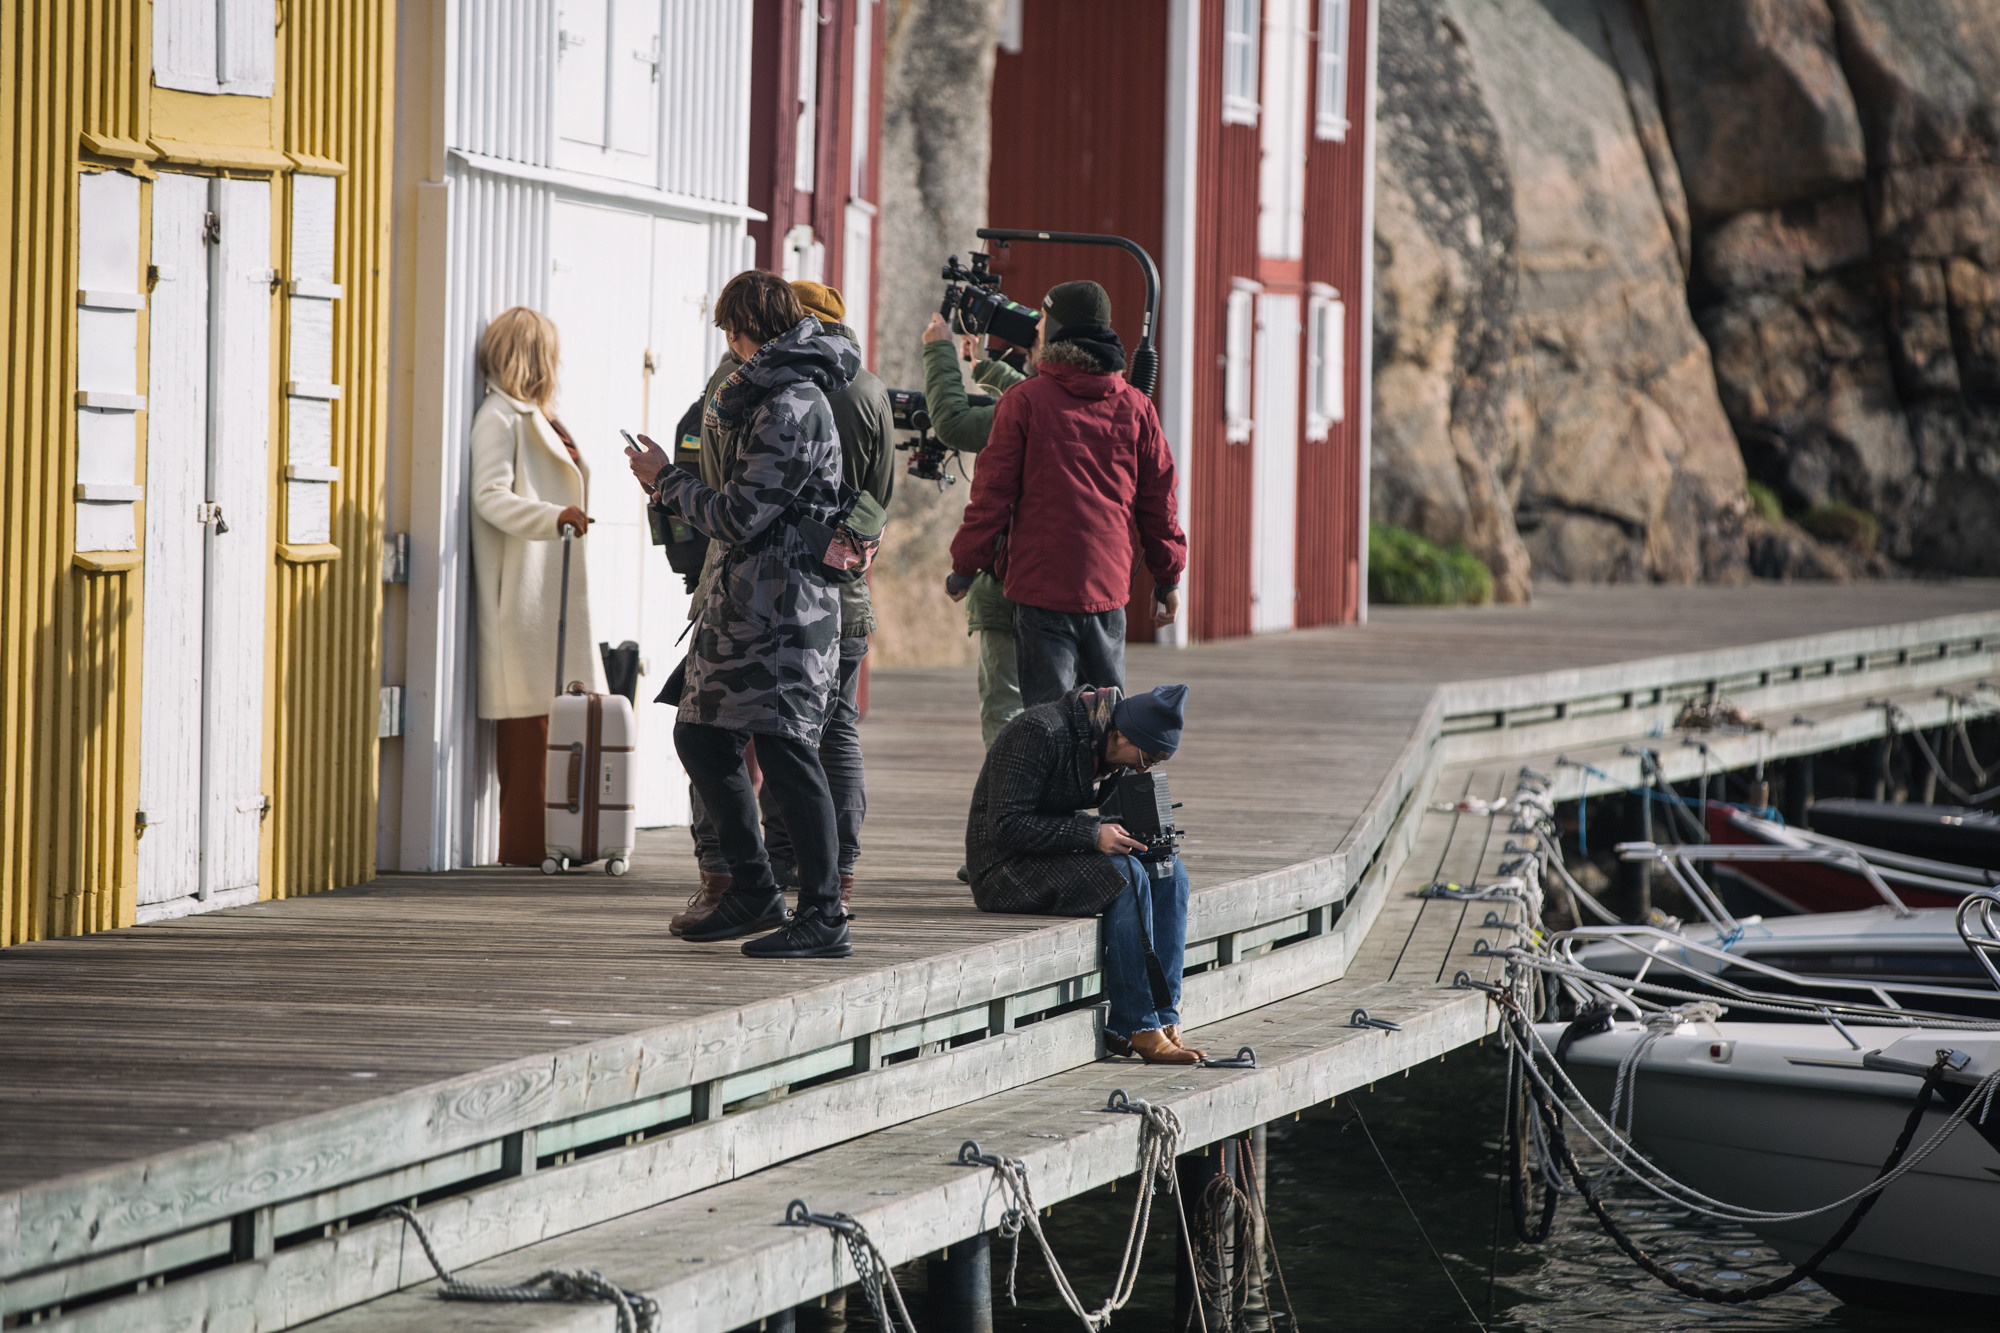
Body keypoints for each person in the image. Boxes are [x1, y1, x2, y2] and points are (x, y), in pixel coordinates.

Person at [626, 270, 857, 959]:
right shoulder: (765, 394)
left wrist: (666, 481)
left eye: (731, 329)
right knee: (701, 736)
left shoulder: (789, 405)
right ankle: (754, 889)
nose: (729, 342)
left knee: (788, 754)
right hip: (746, 605)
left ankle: (824, 915)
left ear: (748, 328)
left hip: (784, 615)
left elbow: (738, 514)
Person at [947, 280, 1187, 708]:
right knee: (1104, 718)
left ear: (1057, 328)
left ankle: (1056, 757)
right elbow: (1159, 501)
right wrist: (1167, 577)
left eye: (1043, 320)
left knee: (1049, 721)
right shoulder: (1136, 406)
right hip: (1107, 588)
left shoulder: (1025, 400)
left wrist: (965, 566)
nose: (1037, 329)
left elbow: (992, 494)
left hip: (1041, 589)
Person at [964, 682, 1203, 1064]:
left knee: (1170, 873)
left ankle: (1164, 1015)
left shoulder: (1107, 746)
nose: (1141, 768)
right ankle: (1137, 1024)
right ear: (1120, 734)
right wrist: (1092, 835)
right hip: (1003, 869)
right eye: (1144, 757)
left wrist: (1141, 834)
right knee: (1125, 876)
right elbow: (1006, 826)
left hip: (1049, 852)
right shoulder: (1039, 731)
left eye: (1154, 763)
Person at [753, 280, 894, 908]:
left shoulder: (780, 387)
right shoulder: (871, 390)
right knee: (838, 731)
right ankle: (844, 868)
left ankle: (783, 862)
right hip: (850, 592)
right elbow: (879, 500)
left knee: (782, 731)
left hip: (785, 594)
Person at [467, 306, 601, 866]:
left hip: (548, 590)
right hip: (523, 593)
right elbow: (489, 496)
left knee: (559, 724)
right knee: (531, 730)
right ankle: (527, 853)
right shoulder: (500, 416)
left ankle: (565, 844)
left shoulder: (536, 416)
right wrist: (552, 518)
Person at [921, 312, 1027, 748]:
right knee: (1076, 704)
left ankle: (1011, 789)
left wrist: (938, 350)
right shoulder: (1118, 400)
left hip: (1017, 583)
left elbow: (954, 424)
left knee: (1007, 708)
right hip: (1094, 590)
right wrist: (981, 364)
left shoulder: (1029, 407)